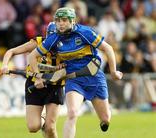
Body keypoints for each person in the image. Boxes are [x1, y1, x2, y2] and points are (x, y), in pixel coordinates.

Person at [28, 7, 123, 138]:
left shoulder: (85, 32)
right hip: (73, 79)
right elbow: (31, 57)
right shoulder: (54, 38)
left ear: (72, 21)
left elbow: (108, 48)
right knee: (72, 113)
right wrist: (38, 77)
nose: (60, 23)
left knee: (105, 118)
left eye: (64, 20)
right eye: (58, 20)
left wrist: (113, 72)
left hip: (94, 76)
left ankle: (104, 118)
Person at [1, 22, 64, 138]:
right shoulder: (37, 43)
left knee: (50, 127)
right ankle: (45, 117)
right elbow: (11, 51)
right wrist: (5, 65)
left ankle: (48, 120)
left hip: (55, 85)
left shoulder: (68, 47)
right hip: (34, 85)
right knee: (33, 127)